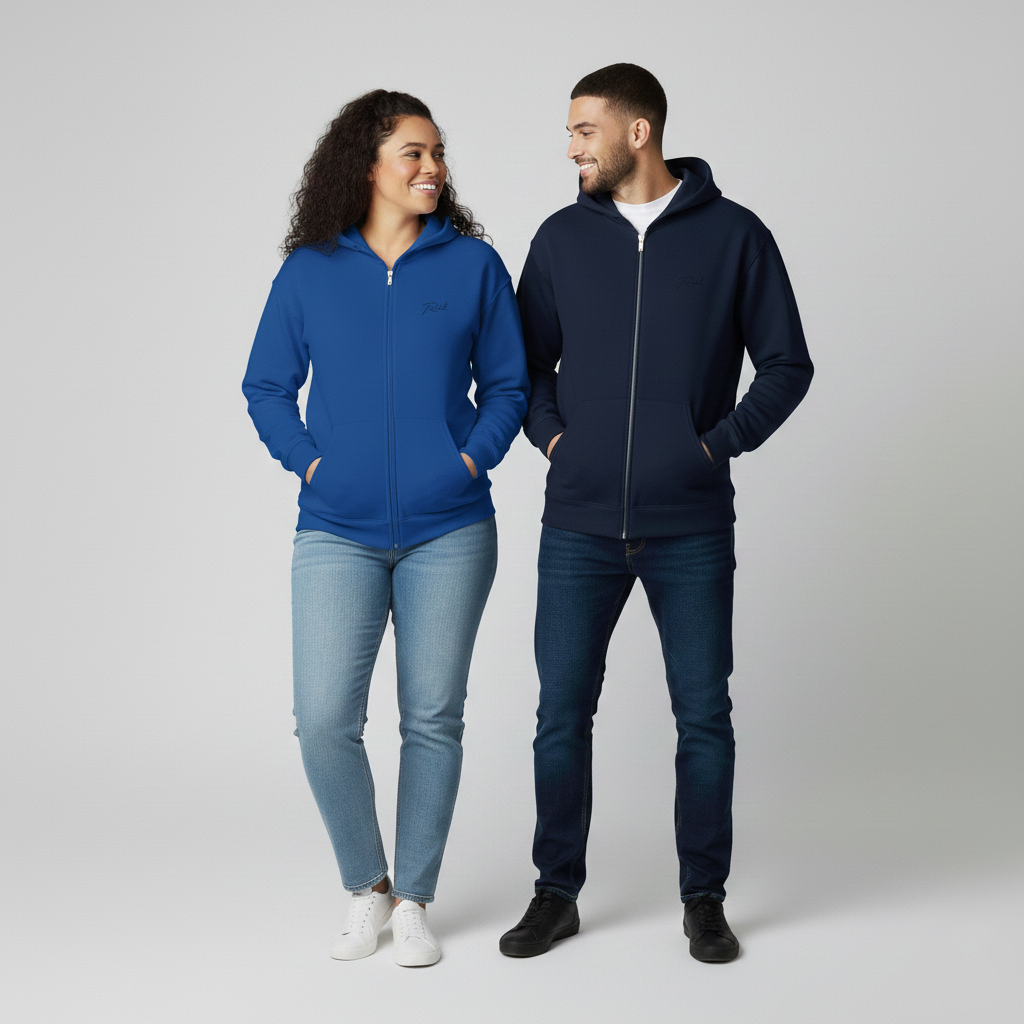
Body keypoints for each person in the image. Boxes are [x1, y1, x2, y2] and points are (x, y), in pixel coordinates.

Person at [498, 64, 813, 963]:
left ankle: (703, 900)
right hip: (579, 523)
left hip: (691, 524)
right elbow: (525, 366)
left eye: (583, 129)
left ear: (638, 132)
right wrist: (556, 442)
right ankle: (556, 893)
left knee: (703, 717)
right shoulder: (561, 238)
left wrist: (714, 446)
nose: (570, 146)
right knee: (561, 715)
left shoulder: (736, 236)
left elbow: (787, 364)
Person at [243, 90, 529, 967]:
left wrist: (468, 462)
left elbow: (509, 386)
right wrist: (312, 465)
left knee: (432, 719)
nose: (433, 167)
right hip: (337, 527)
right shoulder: (310, 272)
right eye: (414, 152)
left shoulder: (473, 266)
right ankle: (366, 886)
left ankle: (415, 901)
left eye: (437, 152)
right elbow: (265, 386)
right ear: (366, 166)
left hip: (452, 529)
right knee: (324, 720)